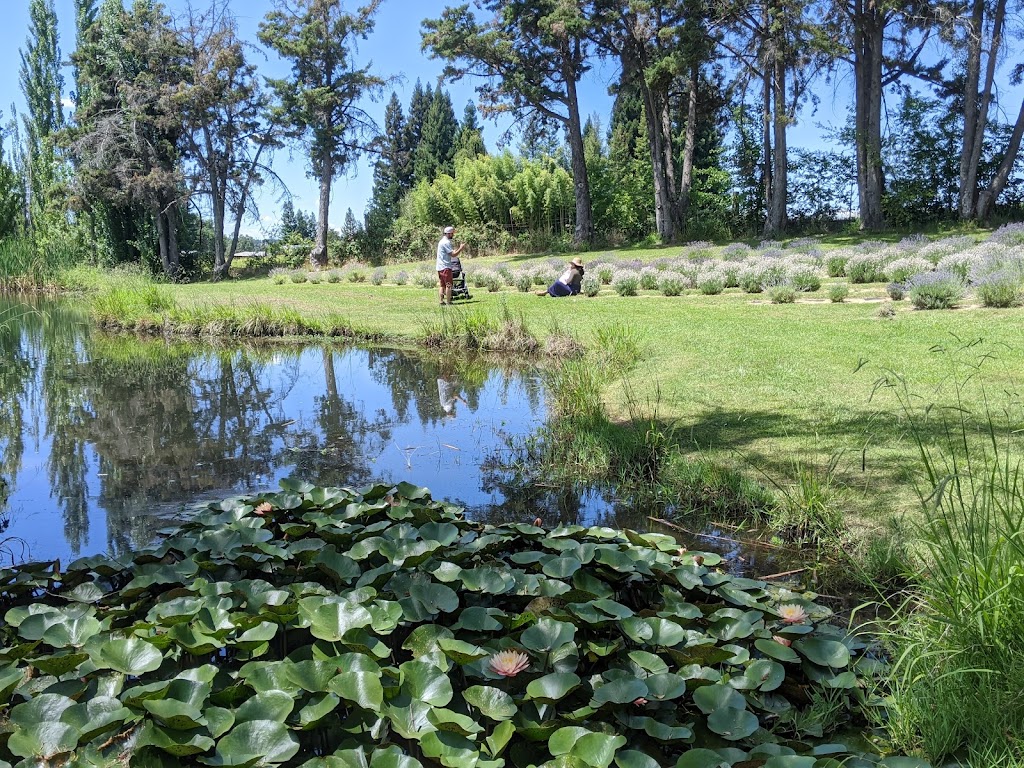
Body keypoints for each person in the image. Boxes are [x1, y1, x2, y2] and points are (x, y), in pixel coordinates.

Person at [436, 226, 467, 306]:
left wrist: (456, 249)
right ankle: (449, 302)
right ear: (449, 233)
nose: (453, 235)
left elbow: (450, 252)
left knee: (442, 285)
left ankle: (441, 301)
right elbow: (453, 255)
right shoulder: (446, 242)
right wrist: (461, 248)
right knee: (449, 285)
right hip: (445, 267)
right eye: (452, 233)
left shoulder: (441, 241)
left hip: (440, 267)